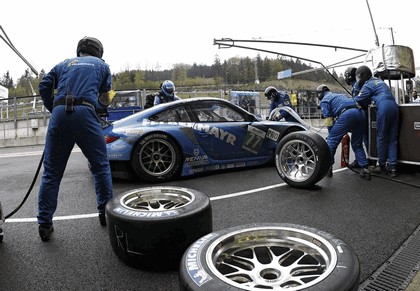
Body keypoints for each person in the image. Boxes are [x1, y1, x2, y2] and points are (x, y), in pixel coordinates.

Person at [37, 37, 114, 242]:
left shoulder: (63, 63)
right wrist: (99, 107)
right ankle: (105, 214)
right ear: (98, 51)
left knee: (51, 173)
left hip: (60, 113)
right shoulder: (101, 65)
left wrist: (53, 107)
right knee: (100, 166)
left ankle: (44, 224)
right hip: (86, 113)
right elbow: (105, 98)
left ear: (79, 50)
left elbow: (44, 85)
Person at [316, 84, 371, 180]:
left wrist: (331, 134)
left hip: (347, 114)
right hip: (360, 113)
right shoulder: (338, 95)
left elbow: (329, 120)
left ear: (320, 94)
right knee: (357, 143)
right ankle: (365, 169)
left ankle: (328, 167)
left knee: (332, 141)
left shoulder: (324, 100)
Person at [353, 65, 399, 177]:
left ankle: (382, 166)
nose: (358, 80)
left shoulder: (368, 85)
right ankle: (393, 168)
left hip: (384, 107)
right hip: (394, 107)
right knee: (392, 139)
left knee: (381, 137)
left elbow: (357, 100)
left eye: (358, 77)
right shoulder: (379, 81)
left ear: (362, 75)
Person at [345, 66, 369, 169]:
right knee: (366, 137)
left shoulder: (356, 86)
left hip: (361, 113)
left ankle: (362, 161)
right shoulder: (362, 84)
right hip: (367, 113)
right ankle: (369, 159)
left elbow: (356, 101)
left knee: (359, 139)